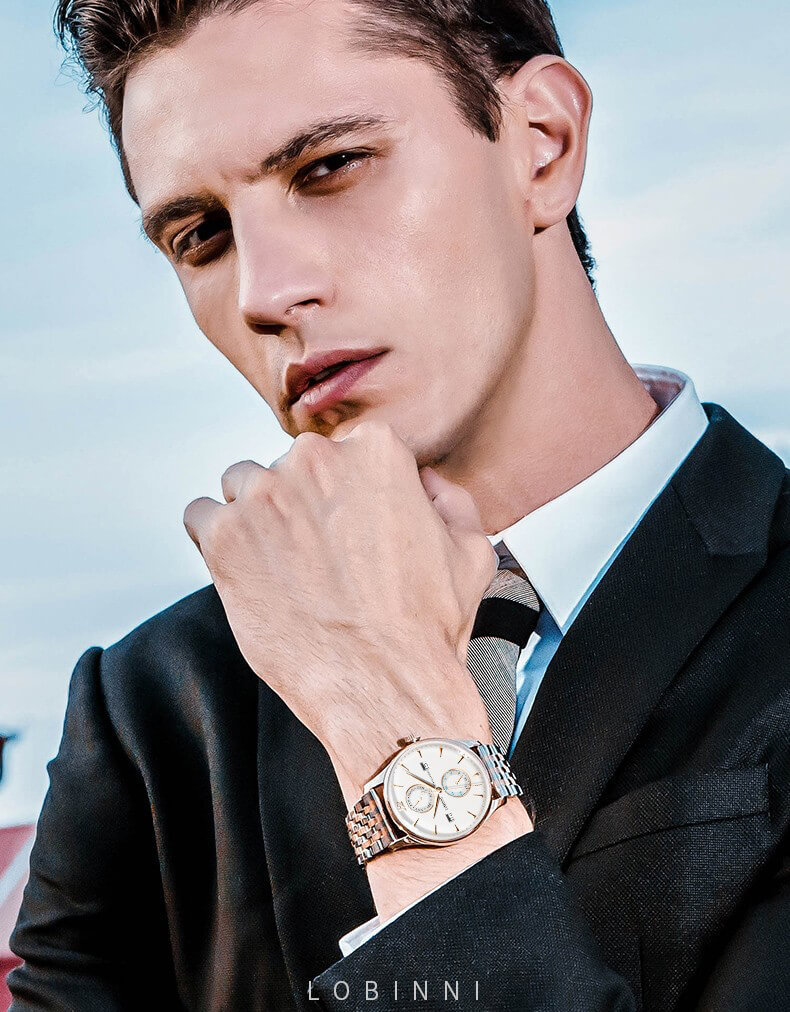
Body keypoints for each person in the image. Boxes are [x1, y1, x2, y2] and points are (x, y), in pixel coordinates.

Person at [9, 1, 790, 1009]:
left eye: (329, 166)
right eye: (201, 235)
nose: (263, 292)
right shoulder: (154, 712)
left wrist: (398, 750)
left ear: (544, 144)